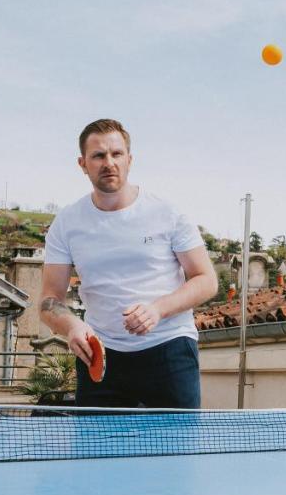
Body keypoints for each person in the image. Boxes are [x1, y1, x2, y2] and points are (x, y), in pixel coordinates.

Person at [40, 119, 217, 408]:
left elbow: (207, 280)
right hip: (101, 355)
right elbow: (49, 300)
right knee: (98, 453)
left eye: (116, 154)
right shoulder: (67, 223)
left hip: (169, 348)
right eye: (98, 155)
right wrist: (72, 326)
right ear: (83, 163)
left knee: (177, 452)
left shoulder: (167, 212)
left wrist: (157, 310)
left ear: (129, 160)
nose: (109, 162)